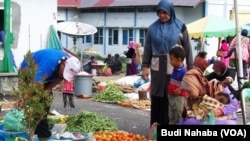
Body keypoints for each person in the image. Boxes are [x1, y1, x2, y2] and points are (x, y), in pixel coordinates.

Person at [141, 0, 194, 126]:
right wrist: (145, 66)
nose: (162, 15)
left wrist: (191, 68)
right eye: (159, 12)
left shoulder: (180, 26)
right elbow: (147, 48)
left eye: (165, 12)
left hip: (175, 69)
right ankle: (155, 130)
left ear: (171, 11)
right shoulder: (152, 28)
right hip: (157, 69)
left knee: (173, 98)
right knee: (157, 96)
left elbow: (187, 47)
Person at [19, 48, 81, 139]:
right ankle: (41, 133)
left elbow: (61, 77)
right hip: (29, 72)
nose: (63, 75)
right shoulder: (47, 65)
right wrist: (23, 101)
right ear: (63, 64)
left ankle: (38, 130)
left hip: (44, 75)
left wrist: (48, 89)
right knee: (38, 102)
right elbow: (34, 85)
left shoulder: (70, 62)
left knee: (45, 100)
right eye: (64, 72)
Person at [168, 46, 187, 124]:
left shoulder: (184, 72)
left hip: (178, 98)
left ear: (179, 60)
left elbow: (187, 85)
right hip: (171, 96)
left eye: (171, 59)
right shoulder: (175, 69)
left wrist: (180, 89)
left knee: (177, 114)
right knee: (171, 113)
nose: (170, 61)